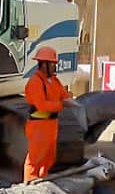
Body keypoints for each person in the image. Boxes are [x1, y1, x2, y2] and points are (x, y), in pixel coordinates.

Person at [23, 46, 77, 184]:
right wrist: (61, 105)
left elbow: (64, 96)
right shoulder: (35, 82)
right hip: (38, 125)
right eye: (53, 64)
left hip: (51, 125)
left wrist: (75, 103)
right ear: (44, 64)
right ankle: (29, 186)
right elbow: (42, 105)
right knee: (35, 159)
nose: (55, 66)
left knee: (48, 158)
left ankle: (41, 183)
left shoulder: (55, 81)